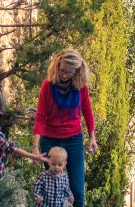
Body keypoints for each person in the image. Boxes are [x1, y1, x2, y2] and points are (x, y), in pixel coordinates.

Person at [32, 49, 97, 207]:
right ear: (57, 65)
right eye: (62, 70)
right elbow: (40, 116)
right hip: (50, 141)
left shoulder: (81, 87)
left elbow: (87, 112)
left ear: (77, 71)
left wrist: (92, 137)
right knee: (52, 190)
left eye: (70, 72)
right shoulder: (47, 86)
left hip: (73, 140)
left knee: (77, 191)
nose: (65, 74)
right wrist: (35, 147)